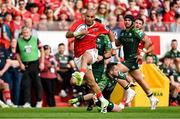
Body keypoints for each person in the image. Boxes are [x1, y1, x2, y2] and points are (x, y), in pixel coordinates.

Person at [65, 9, 116, 113]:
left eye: (92, 17)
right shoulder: (78, 23)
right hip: (78, 56)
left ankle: (81, 74)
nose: (89, 19)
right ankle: (103, 101)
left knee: (86, 55)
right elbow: (67, 34)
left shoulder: (99, 26)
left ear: (94, 17)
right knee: (92, 83)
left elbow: (110, 33)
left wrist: (114, 47)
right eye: (88, 16)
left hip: (91, 52)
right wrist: (78, 33)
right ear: (85, 16)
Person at [116, 14, 159, 110]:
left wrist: (142, 53)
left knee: (114, 71)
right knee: (140, 80)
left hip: (133, 59)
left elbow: (149, 42)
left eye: (129, 20)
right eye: (125, 20)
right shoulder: (123, 32)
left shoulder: (137, 32)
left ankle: (124, 101)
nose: (127, 22)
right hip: (129, 60)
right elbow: (117, 43)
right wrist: (110, 36)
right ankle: (152, 98)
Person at [69, 62, 133, 112]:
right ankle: (98, 104)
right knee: (119, 110)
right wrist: (78, 99)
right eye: (116, 70)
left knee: (126, 86)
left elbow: (127, 79)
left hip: (107, 99)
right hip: (102, 100)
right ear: (111, 72)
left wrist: (131, 82)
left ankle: (98, 106)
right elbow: (94, 94)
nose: (119, 72)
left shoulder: (117, 76)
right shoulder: (104, 80)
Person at [16, 26, 44, 108]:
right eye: (24, 32)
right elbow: (17, 53)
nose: (25, 34)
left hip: (35, 63)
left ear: (30, 32)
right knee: (26, 84)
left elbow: (42, 50)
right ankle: (27, 102)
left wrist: (42, 62)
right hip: (25, 64)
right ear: (22, 33)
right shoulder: (19, 41)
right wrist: (20, 63)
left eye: (27, 32)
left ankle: (39, 101)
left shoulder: (35, 39)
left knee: (37, 83)